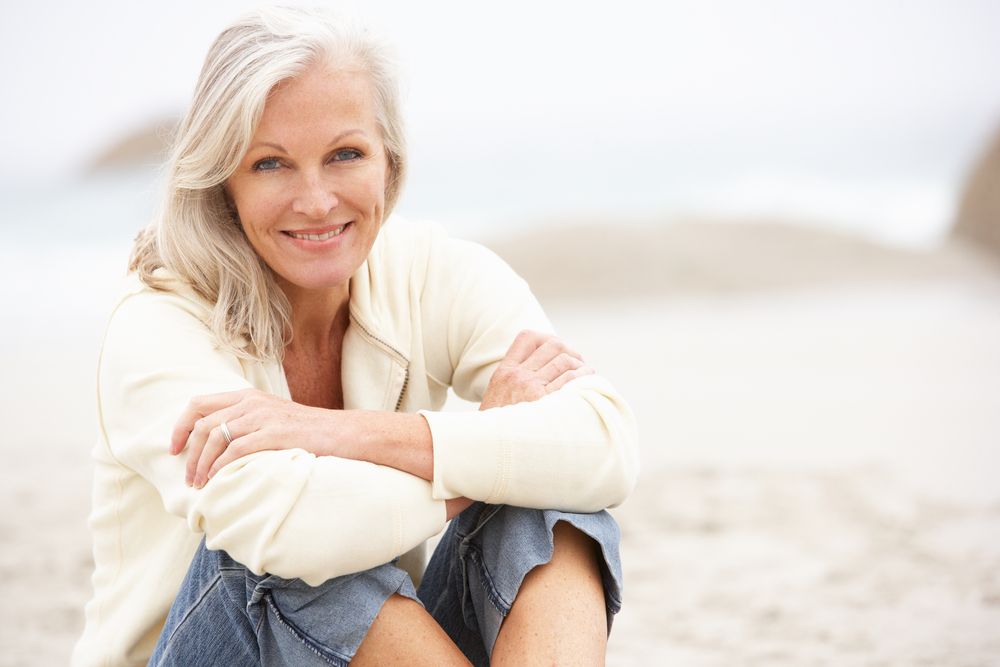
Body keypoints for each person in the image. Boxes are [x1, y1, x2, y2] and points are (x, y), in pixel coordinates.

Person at [73, 7, 638, 666]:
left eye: (345, 154)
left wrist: (333, 431)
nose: (315, 200)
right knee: (280, 556)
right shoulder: (158, 322)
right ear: (224, 181)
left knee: (554, 509)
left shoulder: (430, 272)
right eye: (270, 164)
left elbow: (605, 441)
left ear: (389, 164)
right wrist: (488, 459)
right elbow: (293, 529)